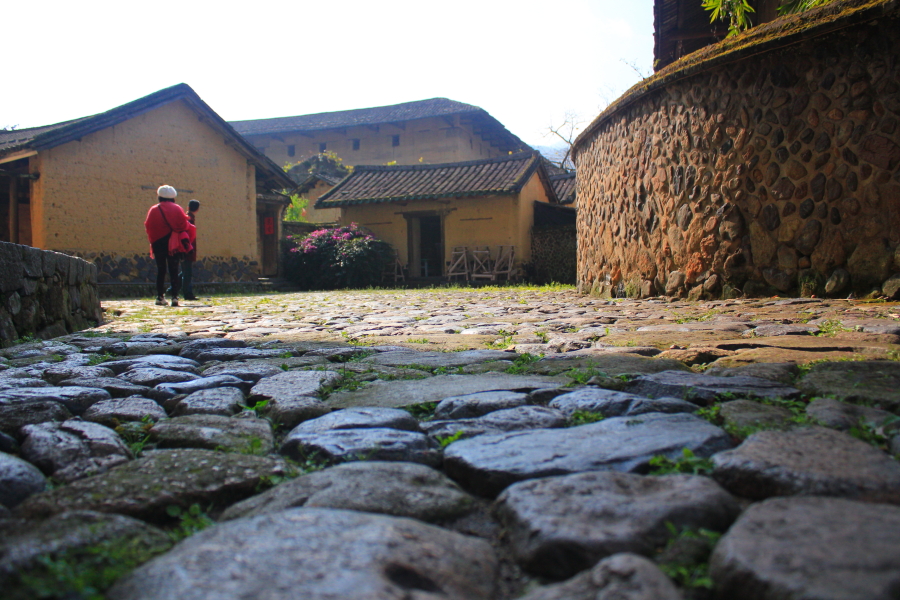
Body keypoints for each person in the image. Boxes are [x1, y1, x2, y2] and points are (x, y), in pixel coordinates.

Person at [144, 185, 189, 307]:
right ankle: (175, 297)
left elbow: (148, 226)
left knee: (161, 270)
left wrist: (155, 239)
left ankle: (160, 297)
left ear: (159, 197)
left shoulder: (154, 209)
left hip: (158, 243)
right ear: (173, 197)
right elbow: (184, 225)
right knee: (174, 269)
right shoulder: (177, 209)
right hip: (173, 243)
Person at [181, 199, 200, 300]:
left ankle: (171, 290)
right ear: (197, 209)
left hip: (185, 248)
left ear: (188, 207)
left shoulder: (186, 218)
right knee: (187, 273)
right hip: (187, 249)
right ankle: (187, 293)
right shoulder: (189, 219)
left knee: (184, 271)